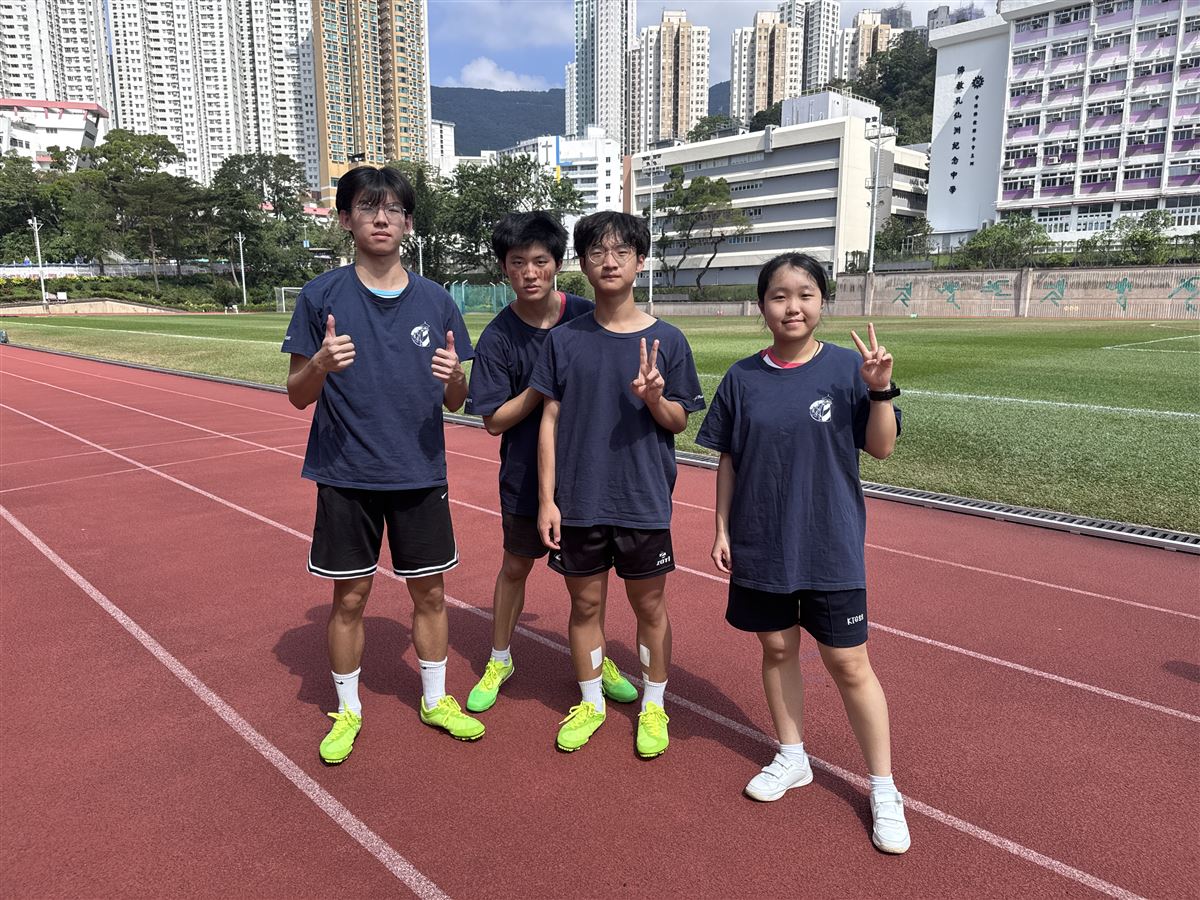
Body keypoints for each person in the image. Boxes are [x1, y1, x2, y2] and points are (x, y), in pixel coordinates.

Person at [695, 252, 909, 853]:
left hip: (829, 541)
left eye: (806, 294)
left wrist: (880, 390)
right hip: (761, 539)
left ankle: (884, 787)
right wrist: (721, 528)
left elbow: (882, 448)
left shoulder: (847, 369)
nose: (793, 306)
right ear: (762, 305)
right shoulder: (742, 378)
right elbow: (729, 459)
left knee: (849, 663)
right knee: (777, 647)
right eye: (780, 295)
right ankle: (793, 756)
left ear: (823, 302)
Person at [281, 165, 484, 766]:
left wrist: (456, 378)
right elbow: (297, 395)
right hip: (346, 473)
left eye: (393, 208)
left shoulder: (437, 300)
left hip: (418, 472)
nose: (381, 218)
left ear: (408, 223)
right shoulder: (320, 296)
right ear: (346, 219)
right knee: (350, 598)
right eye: (368, 208)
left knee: (431, 593)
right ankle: (347, 711)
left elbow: (457, 399)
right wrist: (320, 363)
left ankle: (436, 699)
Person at [531, 211, 705, 757]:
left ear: (640, 261)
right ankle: (591, 702)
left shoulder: (668, 340)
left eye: (621, 252)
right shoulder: (563, 341)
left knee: (649, 608)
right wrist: (546, 500)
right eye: (597, 252)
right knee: (585, 607)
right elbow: (549, 422)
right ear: (582, 264)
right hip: (579, 501)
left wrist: (655, 398)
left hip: (642, 499)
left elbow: (679, 422)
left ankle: (653, 705)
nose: (609, 262)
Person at [464, 212, 639, 713]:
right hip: (525, 474)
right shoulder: (498, 336)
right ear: (504, 269)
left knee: (589, 581)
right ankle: (500, 658)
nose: (530, 272)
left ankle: (597, 659)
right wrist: (544, 385)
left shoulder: (587, 315)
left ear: (559, 264)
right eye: (517, 262)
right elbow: (494, 421)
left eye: (540, 261)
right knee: (516, 565)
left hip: (586, 474)